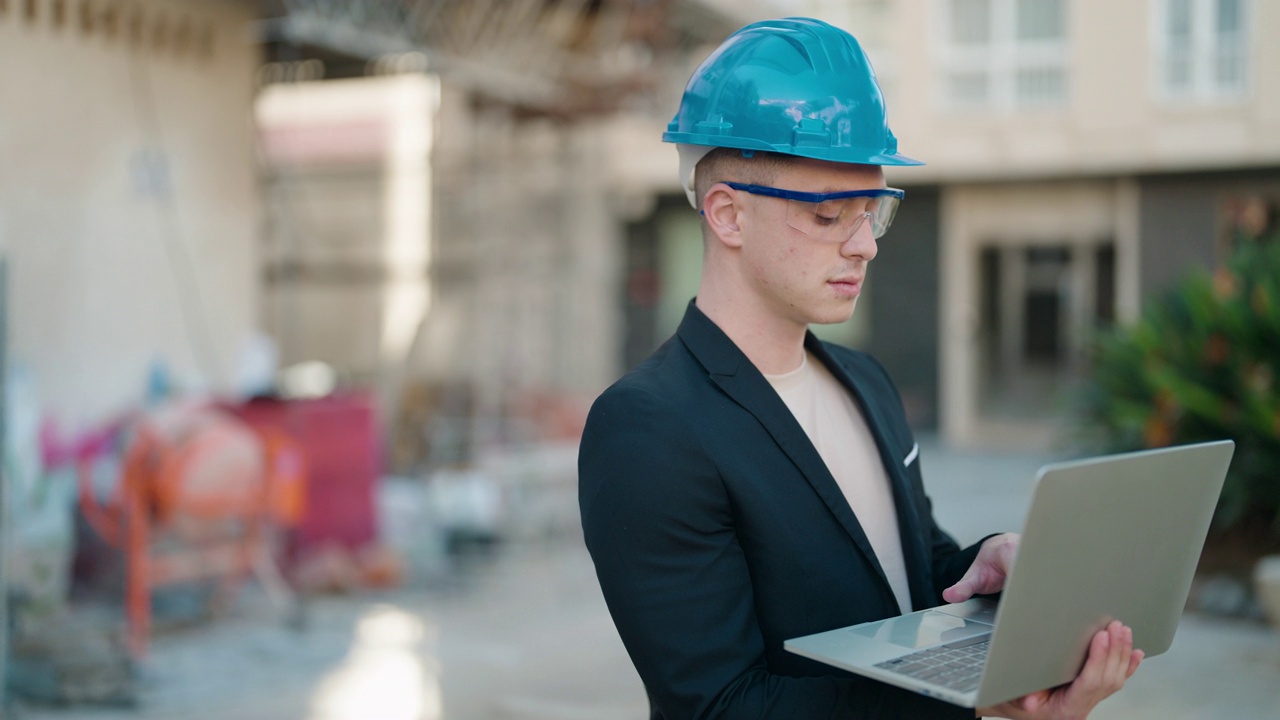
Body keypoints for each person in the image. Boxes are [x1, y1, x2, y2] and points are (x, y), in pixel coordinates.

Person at [578, 17, 1142, 720]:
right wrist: (971, 708)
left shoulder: (865, 382)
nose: (863, 246)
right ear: (727, 215)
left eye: (871, 212)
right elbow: (718, 705)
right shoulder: (649, 429)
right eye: (828, 216)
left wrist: (987, 566)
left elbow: (908, 577)